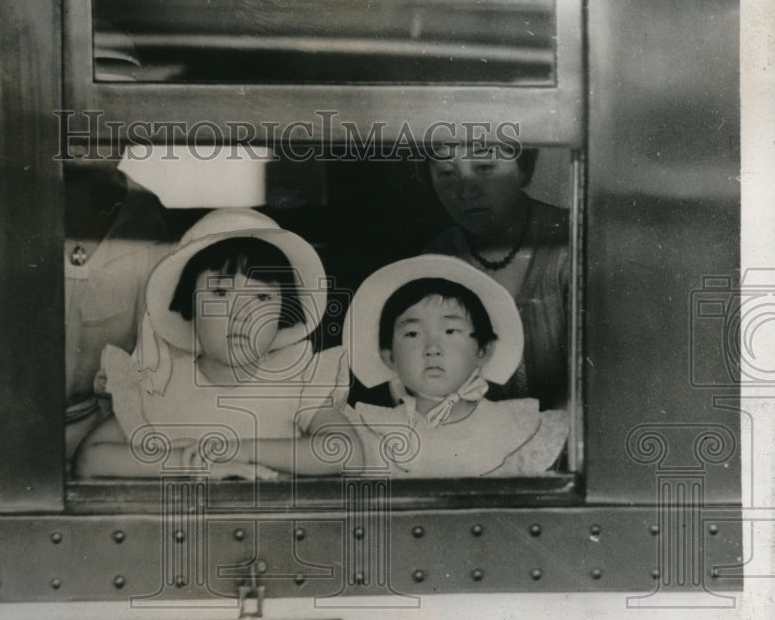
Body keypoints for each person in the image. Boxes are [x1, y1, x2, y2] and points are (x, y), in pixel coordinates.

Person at [74, 208, 352, 479]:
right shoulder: (163, 382)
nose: (242, 314)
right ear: (190, 303)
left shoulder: (296, 378)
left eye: (262, 298)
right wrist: (193, 464)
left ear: (284, 312)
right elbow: (91, 459)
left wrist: (243, 451)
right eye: (221, 292)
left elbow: (344, 451)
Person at [341, 255, 568, 477]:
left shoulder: (520, 430)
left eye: (450, 331)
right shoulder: (372, 433)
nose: (432, 348)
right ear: (389, 358)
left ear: (483, 350)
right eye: (412, 334)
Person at [424, 146, 569, 409]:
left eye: (485, 167)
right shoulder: (434, 262)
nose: (466, 192)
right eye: (446, 173)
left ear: (525, 169)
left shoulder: (574, 245)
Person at [63, 163, 175, 464]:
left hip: (105, 432)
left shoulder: (149, 223)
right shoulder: (4, 203)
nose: (86, 135)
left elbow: (152, 356)